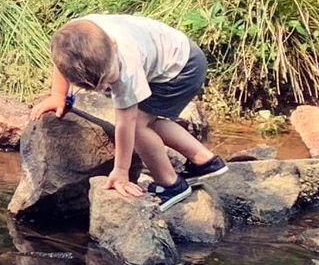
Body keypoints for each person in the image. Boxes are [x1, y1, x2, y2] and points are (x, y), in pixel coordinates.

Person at [32, 14, 226, 201]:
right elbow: (60, 61)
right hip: (180, 56)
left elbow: (126, 124)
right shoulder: (72, 40)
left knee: (138, 127)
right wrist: (58, 95)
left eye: (109, 81)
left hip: (181, 69)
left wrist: (121, 170)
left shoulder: (127, 65)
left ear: (114, 46)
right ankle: (205, 162)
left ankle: (170, 184)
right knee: (148, 123)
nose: (107, 88)